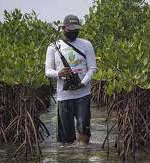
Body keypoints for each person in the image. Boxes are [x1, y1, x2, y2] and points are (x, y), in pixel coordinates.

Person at [45, 14, 97, 145]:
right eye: (70, 29)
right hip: (64, 96)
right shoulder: (53, 47)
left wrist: (83, 83)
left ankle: (83, 155)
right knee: (66, 139)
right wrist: (59, 73)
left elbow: (92, 68)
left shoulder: (86, 44)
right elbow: (48, 71)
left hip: (83, 94)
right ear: (63, 28)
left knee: (84, 132)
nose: (74, 32)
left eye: (76, 30)